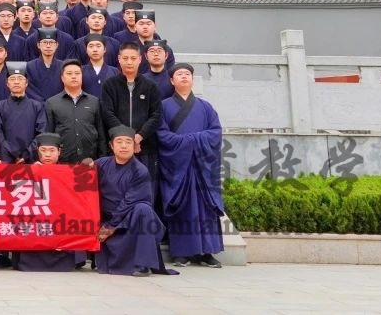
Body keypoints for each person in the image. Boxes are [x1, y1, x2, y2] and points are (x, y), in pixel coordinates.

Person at [158, 64, 226, 268]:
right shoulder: (164, 106)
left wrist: (191, 140)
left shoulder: (205, 107)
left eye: (187, 74)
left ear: (193, 79)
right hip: (178, 166)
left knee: (206, 207)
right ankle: (182, 252)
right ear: (172, 81)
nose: (184, 77)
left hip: (202, 166)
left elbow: (215, 132)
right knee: (182, 206)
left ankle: (207, 252)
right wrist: (189, 142)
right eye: (179, 74)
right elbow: (162, 134)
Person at [95, 127, 170, 277]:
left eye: (128, 142)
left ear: (134, 146)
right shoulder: (101, 164)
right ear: (111, 145)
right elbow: (76, 176)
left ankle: (142, 264)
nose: (123, 146)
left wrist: (111, 226)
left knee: (143, 209)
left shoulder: (140, 170)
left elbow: (129, 201)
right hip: (104, 221)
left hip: (130, 222)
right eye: (119, 142)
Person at [13, 133, 87, 273]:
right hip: (36, 222)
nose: (47, 154)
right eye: (43, 150)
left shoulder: (69, 173)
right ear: (37, 151)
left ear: (59, 152)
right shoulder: (26, 170)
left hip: (60, 222)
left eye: (52, 150)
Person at [100, 43, 162, 187]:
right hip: (118, 148)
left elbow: (156, 114)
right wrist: (126, 139)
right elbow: (107, 113)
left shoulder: (150, 86)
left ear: (140, 59)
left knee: (146, 188)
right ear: (119, 59)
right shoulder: (110, 85)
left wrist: (139, 137)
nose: (129, 62)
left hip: (145, 147)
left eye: (133, 58)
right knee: (117, 188)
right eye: (125, 58)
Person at [44, 59, 104, 164]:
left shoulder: (94, 101)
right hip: (63, 161)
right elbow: (49, 134)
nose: (74, 76)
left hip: (90, 160)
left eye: (77, 73)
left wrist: (102, 158)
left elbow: (101, 134)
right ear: (62, 78)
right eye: (69, 73)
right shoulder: (52, 103)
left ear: (82, 76)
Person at [0, 64, 46, 164]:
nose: (16, 82)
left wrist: (26, 155)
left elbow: (41, 133)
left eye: (20, 79)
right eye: (12, 79)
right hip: (6, 158)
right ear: (7, 84)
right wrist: (12, 153)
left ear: (26, 83)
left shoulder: (37, 106)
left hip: (30, 159)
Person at [26, 27, 64, 102]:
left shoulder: (63, 66)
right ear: (38, 45)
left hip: (58, 105)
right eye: (45, 42)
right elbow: (29, 88)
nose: (48, 46)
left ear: (57, 45)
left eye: (51, 42)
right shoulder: (29, 66)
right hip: (36, 106)